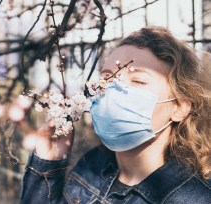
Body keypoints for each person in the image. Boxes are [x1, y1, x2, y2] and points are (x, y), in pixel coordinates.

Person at [20, 26, 211, 204]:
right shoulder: (92, 165)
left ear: (179, 107)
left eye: (138, 81)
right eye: (107, 78)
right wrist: (48, 162)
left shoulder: (192, 197)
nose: (114, 90)